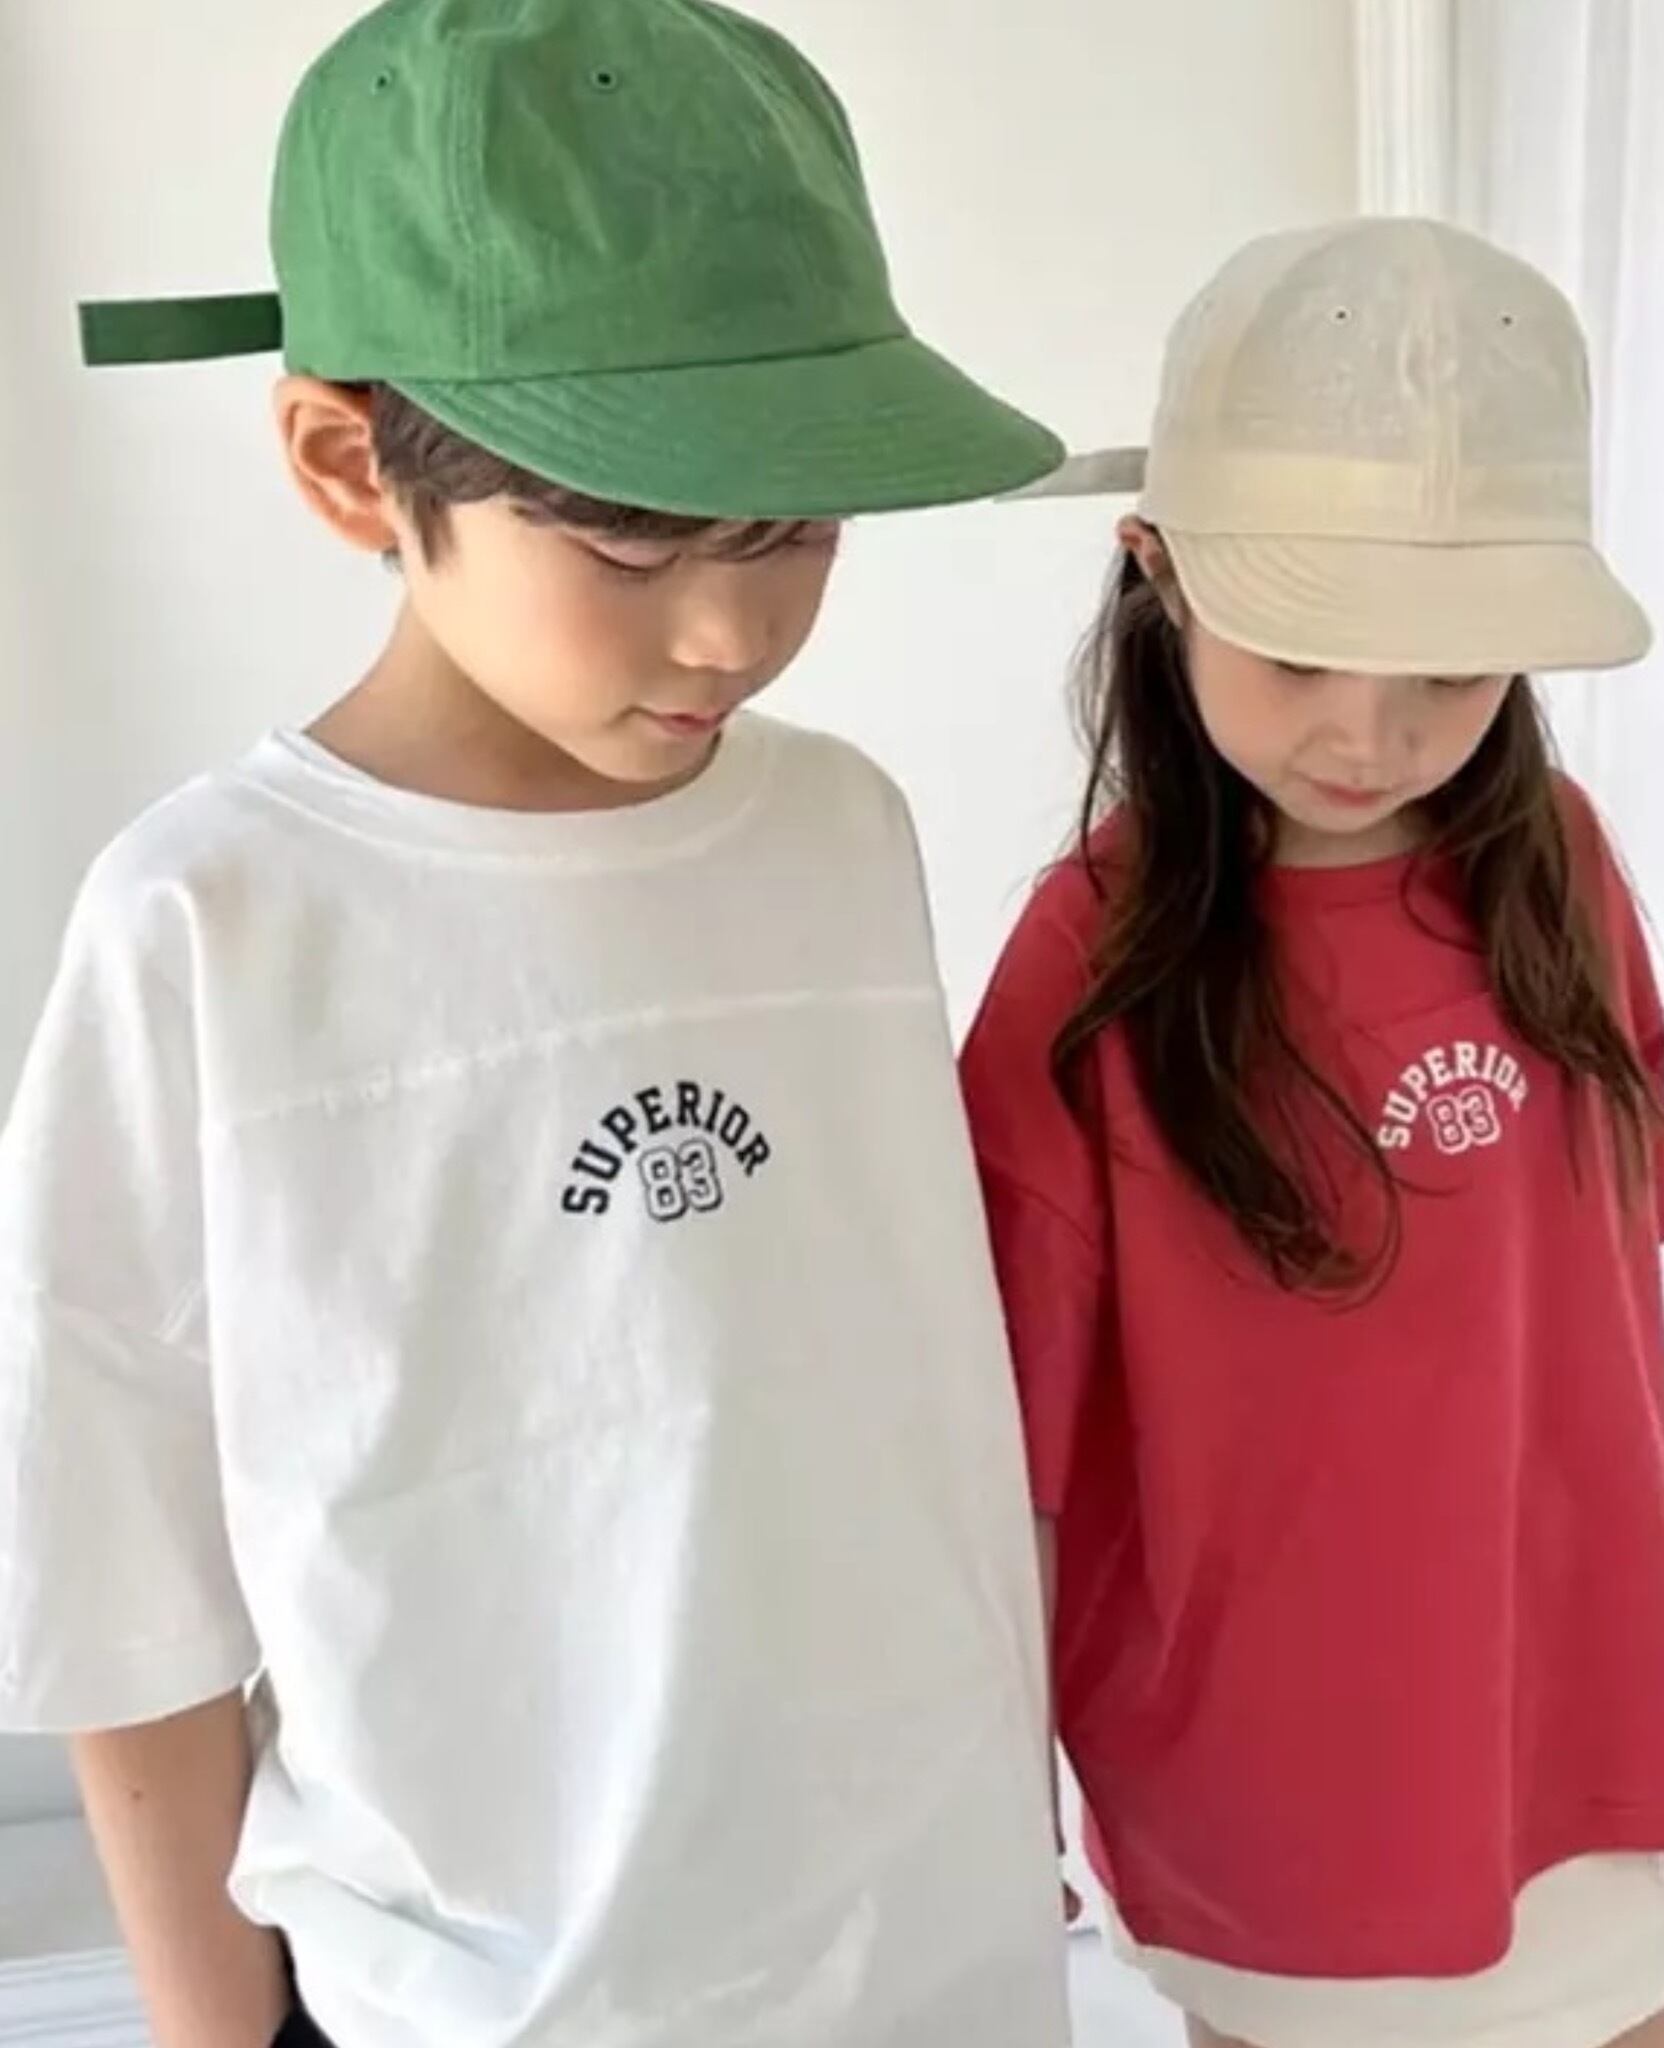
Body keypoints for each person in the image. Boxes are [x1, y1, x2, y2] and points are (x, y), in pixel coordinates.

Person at [0, 4, 1074, 2045]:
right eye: (628, 539)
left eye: (795, 531)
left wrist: (1002, 1821)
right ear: (349, 463)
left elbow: (901, 1412)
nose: (730, 631)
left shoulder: (838, 834)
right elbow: (114, 1575)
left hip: (926, 1963)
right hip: (488, 1999)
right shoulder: (212, 924)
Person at [964, 218, 1664, 2048]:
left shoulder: (1555, 866)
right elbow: (1011, 1450)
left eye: (1448, 674)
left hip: (1574, 1715)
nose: (1368, 737)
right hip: (1271, 1775)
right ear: (1156, 574)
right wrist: (986, 1777)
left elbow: (1606, 1255)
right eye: (1304, 652)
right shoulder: (1089, 961)